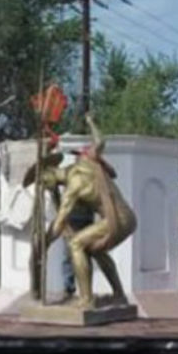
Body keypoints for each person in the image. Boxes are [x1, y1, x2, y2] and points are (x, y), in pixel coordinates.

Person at [24, 113, 136, 309]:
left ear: (50, 172)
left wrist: (45, 243)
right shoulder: (84, 164)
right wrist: (91, 121)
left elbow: (59, 223)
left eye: (42, 181)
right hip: (126, 218)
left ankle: (86, 300)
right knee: (96, 251)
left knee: (76, 244)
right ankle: (119, 295)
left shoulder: (73, 185)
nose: (44, 186)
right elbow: (100, 141)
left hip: (117, 219)